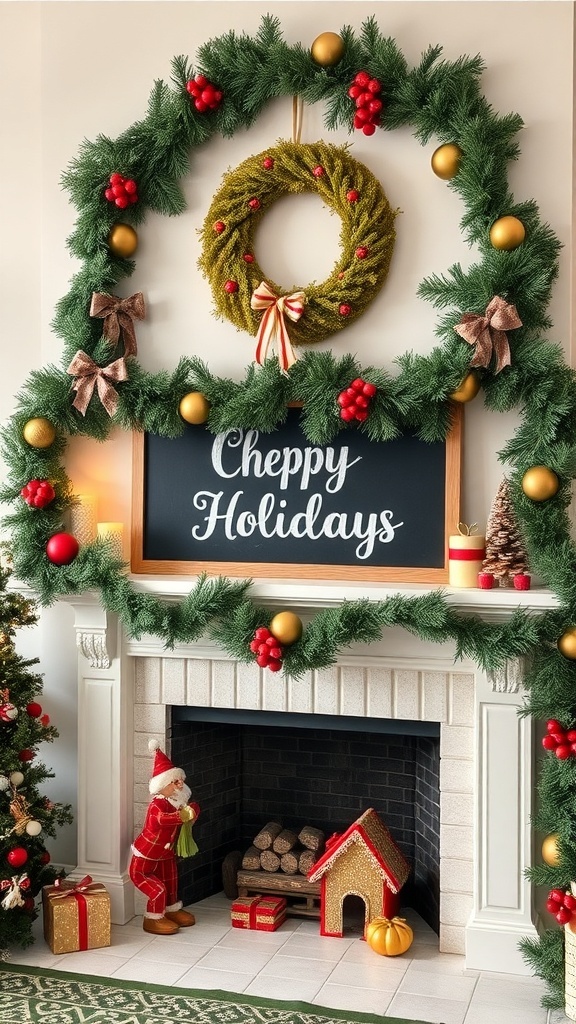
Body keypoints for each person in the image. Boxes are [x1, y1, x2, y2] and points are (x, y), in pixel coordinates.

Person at [129, 739, 200, 935]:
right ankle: (153, 919)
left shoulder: (177, 801)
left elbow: (191, 812)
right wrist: (184, 814)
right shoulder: (157, 805)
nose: (180, 785)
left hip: (166, 854)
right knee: (158, 889)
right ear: (163, 784)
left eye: (180, 781)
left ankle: (171, 911)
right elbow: (162, 820)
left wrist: (192, 810)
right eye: (175, 782)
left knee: (171, 882)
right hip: (147, 858)